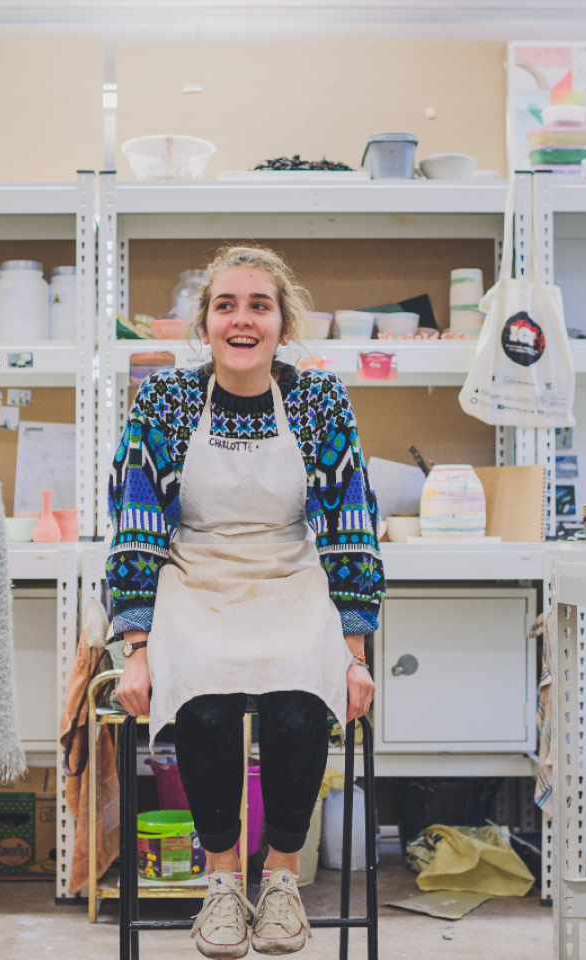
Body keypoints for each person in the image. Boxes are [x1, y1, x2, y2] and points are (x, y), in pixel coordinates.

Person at [108, 245, 383, 957]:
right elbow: (137, 522)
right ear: (205, 323)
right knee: (205, 703)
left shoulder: (318, 399)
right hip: (194, 580)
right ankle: (224, 887)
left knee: (299, 705)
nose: (242, 319)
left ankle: (282, 881)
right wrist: (136, 650)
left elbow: (351, 518)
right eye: (226, 304)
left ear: (283, 324)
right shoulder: (165, 401)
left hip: (291, 576)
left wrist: (352, 651)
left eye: (259, 305)